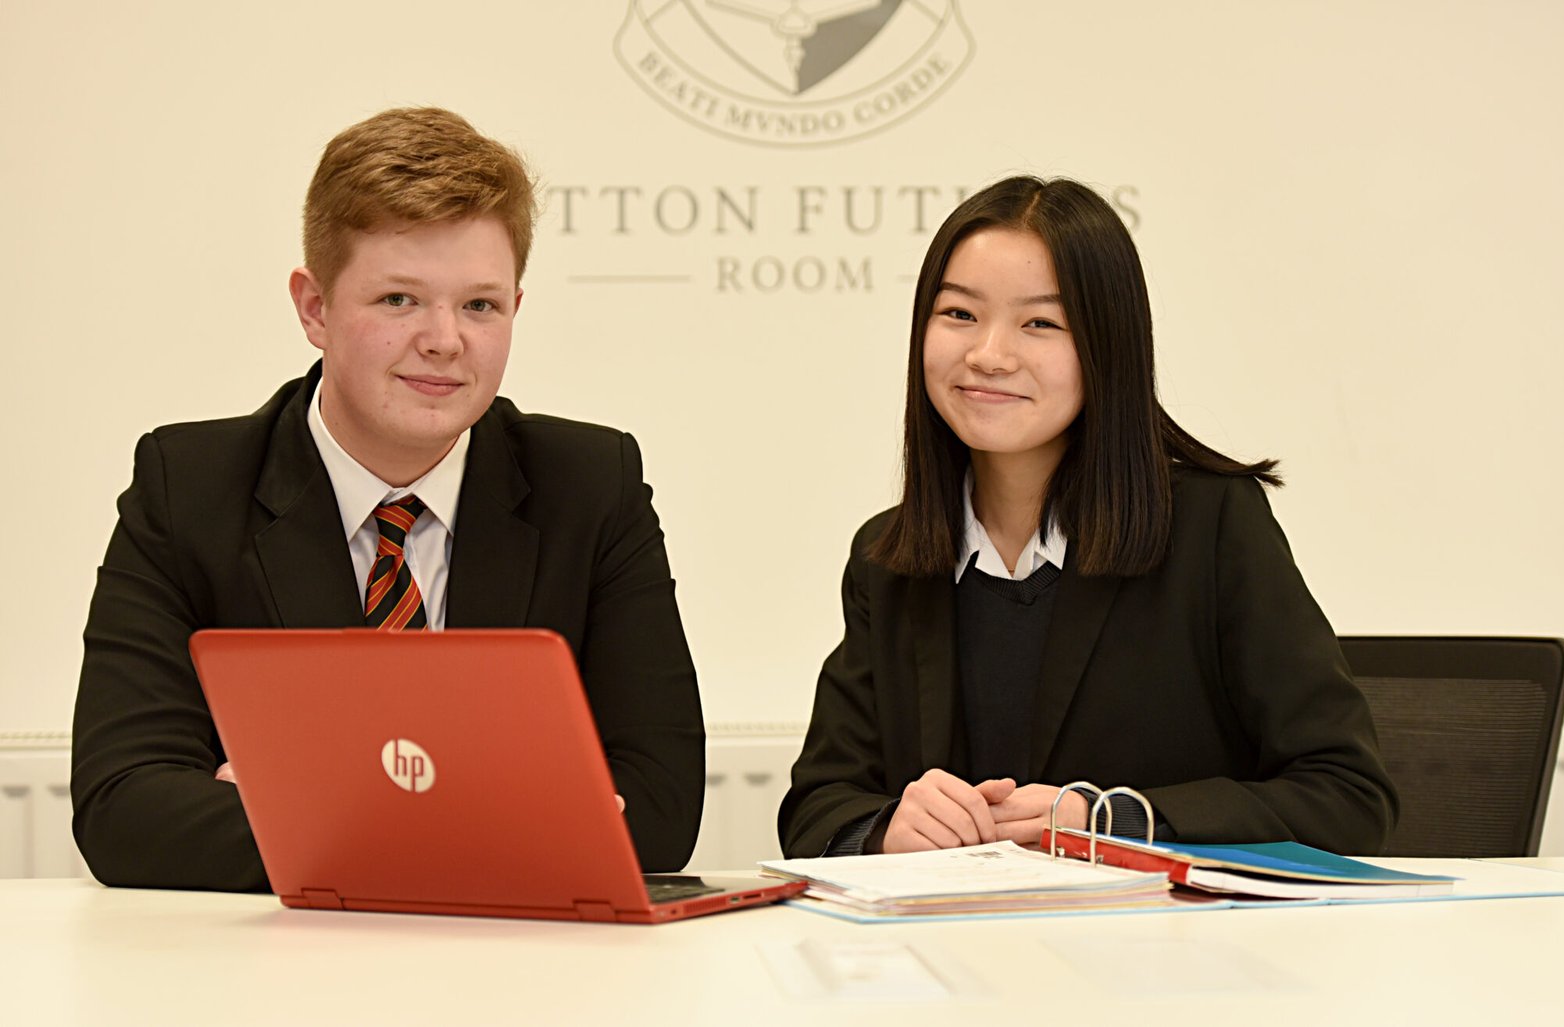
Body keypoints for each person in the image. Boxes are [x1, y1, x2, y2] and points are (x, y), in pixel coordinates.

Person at [72, 108, 704, 890]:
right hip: (277, 958)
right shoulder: (188, 487)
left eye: (480, 305)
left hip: (515, 957)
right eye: (400, 299)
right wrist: (509, 817)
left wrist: (299, 808)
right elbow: (123, 805)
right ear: (315, 308)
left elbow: (660, 808)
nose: (444, 339)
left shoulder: (591, 485)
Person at [778, 176, 1396, 859]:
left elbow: (1348, 794)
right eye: (959, 314)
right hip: (954, 926)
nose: (988, 354)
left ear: (1107, 345)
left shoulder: (1212, 526)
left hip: (1152, 926)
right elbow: (817, 807)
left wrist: (1111, 819)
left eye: (1040, 323)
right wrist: (887, 827)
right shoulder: (887, 556)